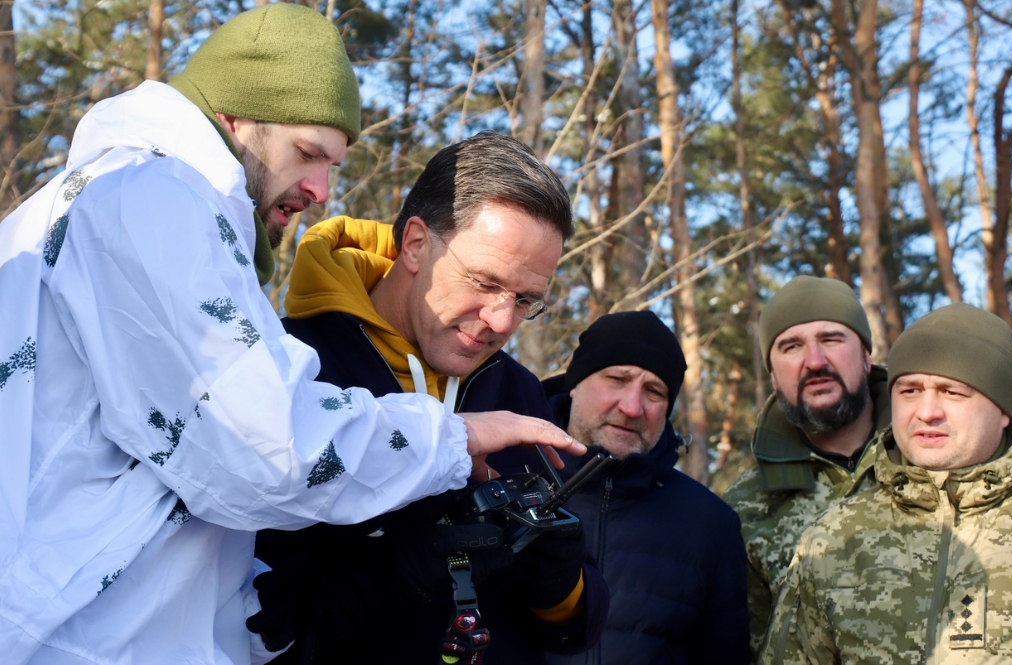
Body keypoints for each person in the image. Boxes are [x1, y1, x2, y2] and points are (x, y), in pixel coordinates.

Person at [0, 7, 584, 665]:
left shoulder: (107, 202)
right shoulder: (150, 198)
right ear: (237, 118)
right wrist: (453, 436)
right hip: (82, 635)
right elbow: (265, 446)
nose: (323, 191)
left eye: (527, 299)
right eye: (307, 153)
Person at [248, 131, 608, 664]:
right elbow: (235, 609)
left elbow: (578, 624)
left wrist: (562, 586)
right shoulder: (290, 365)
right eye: (485, 282)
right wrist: (385, 575)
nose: (502, 322)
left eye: (527, 299)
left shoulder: (517, 392)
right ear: (415, 243)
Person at [763, 302, 1012, 663]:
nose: (927, 411)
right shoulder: (834, 538)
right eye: (910, 391)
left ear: (1004, 409)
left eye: (952, 392)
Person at [540, 311, 749, 665]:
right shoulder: (501, 480)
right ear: (574, 383)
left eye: (654, 391)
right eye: (617, 379)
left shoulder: (711, 525)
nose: (632, 406)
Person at [721, 275, 890, 659]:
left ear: (866, 355)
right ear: (773, 376)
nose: (815, 361)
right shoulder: (743, 510)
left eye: (831, 339)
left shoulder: (937, 462)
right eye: (791, 346)